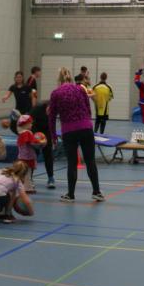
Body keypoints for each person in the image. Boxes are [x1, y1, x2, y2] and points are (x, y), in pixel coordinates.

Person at [48, 67, 105, 203]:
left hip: (69, 131)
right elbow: (88, 109)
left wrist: (53, 136)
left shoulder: (56, 93)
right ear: (71, 79)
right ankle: (96, 192)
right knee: (90, 160)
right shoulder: (80, 89)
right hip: (85, 128)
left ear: (59, 80)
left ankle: (71, 195)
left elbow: (51, 117)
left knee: (72, 163)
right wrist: (87, 123)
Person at [16, 113, 47, 193]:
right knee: (28, 173)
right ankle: (28, 188)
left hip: (22, 156)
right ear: (26, 124)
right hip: (28, 157)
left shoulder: (21, 133)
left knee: (23, 173)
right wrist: (42, 142)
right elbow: (33, 142)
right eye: (30, 123)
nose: (32, 125)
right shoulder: (27, 133)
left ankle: (22, 186)